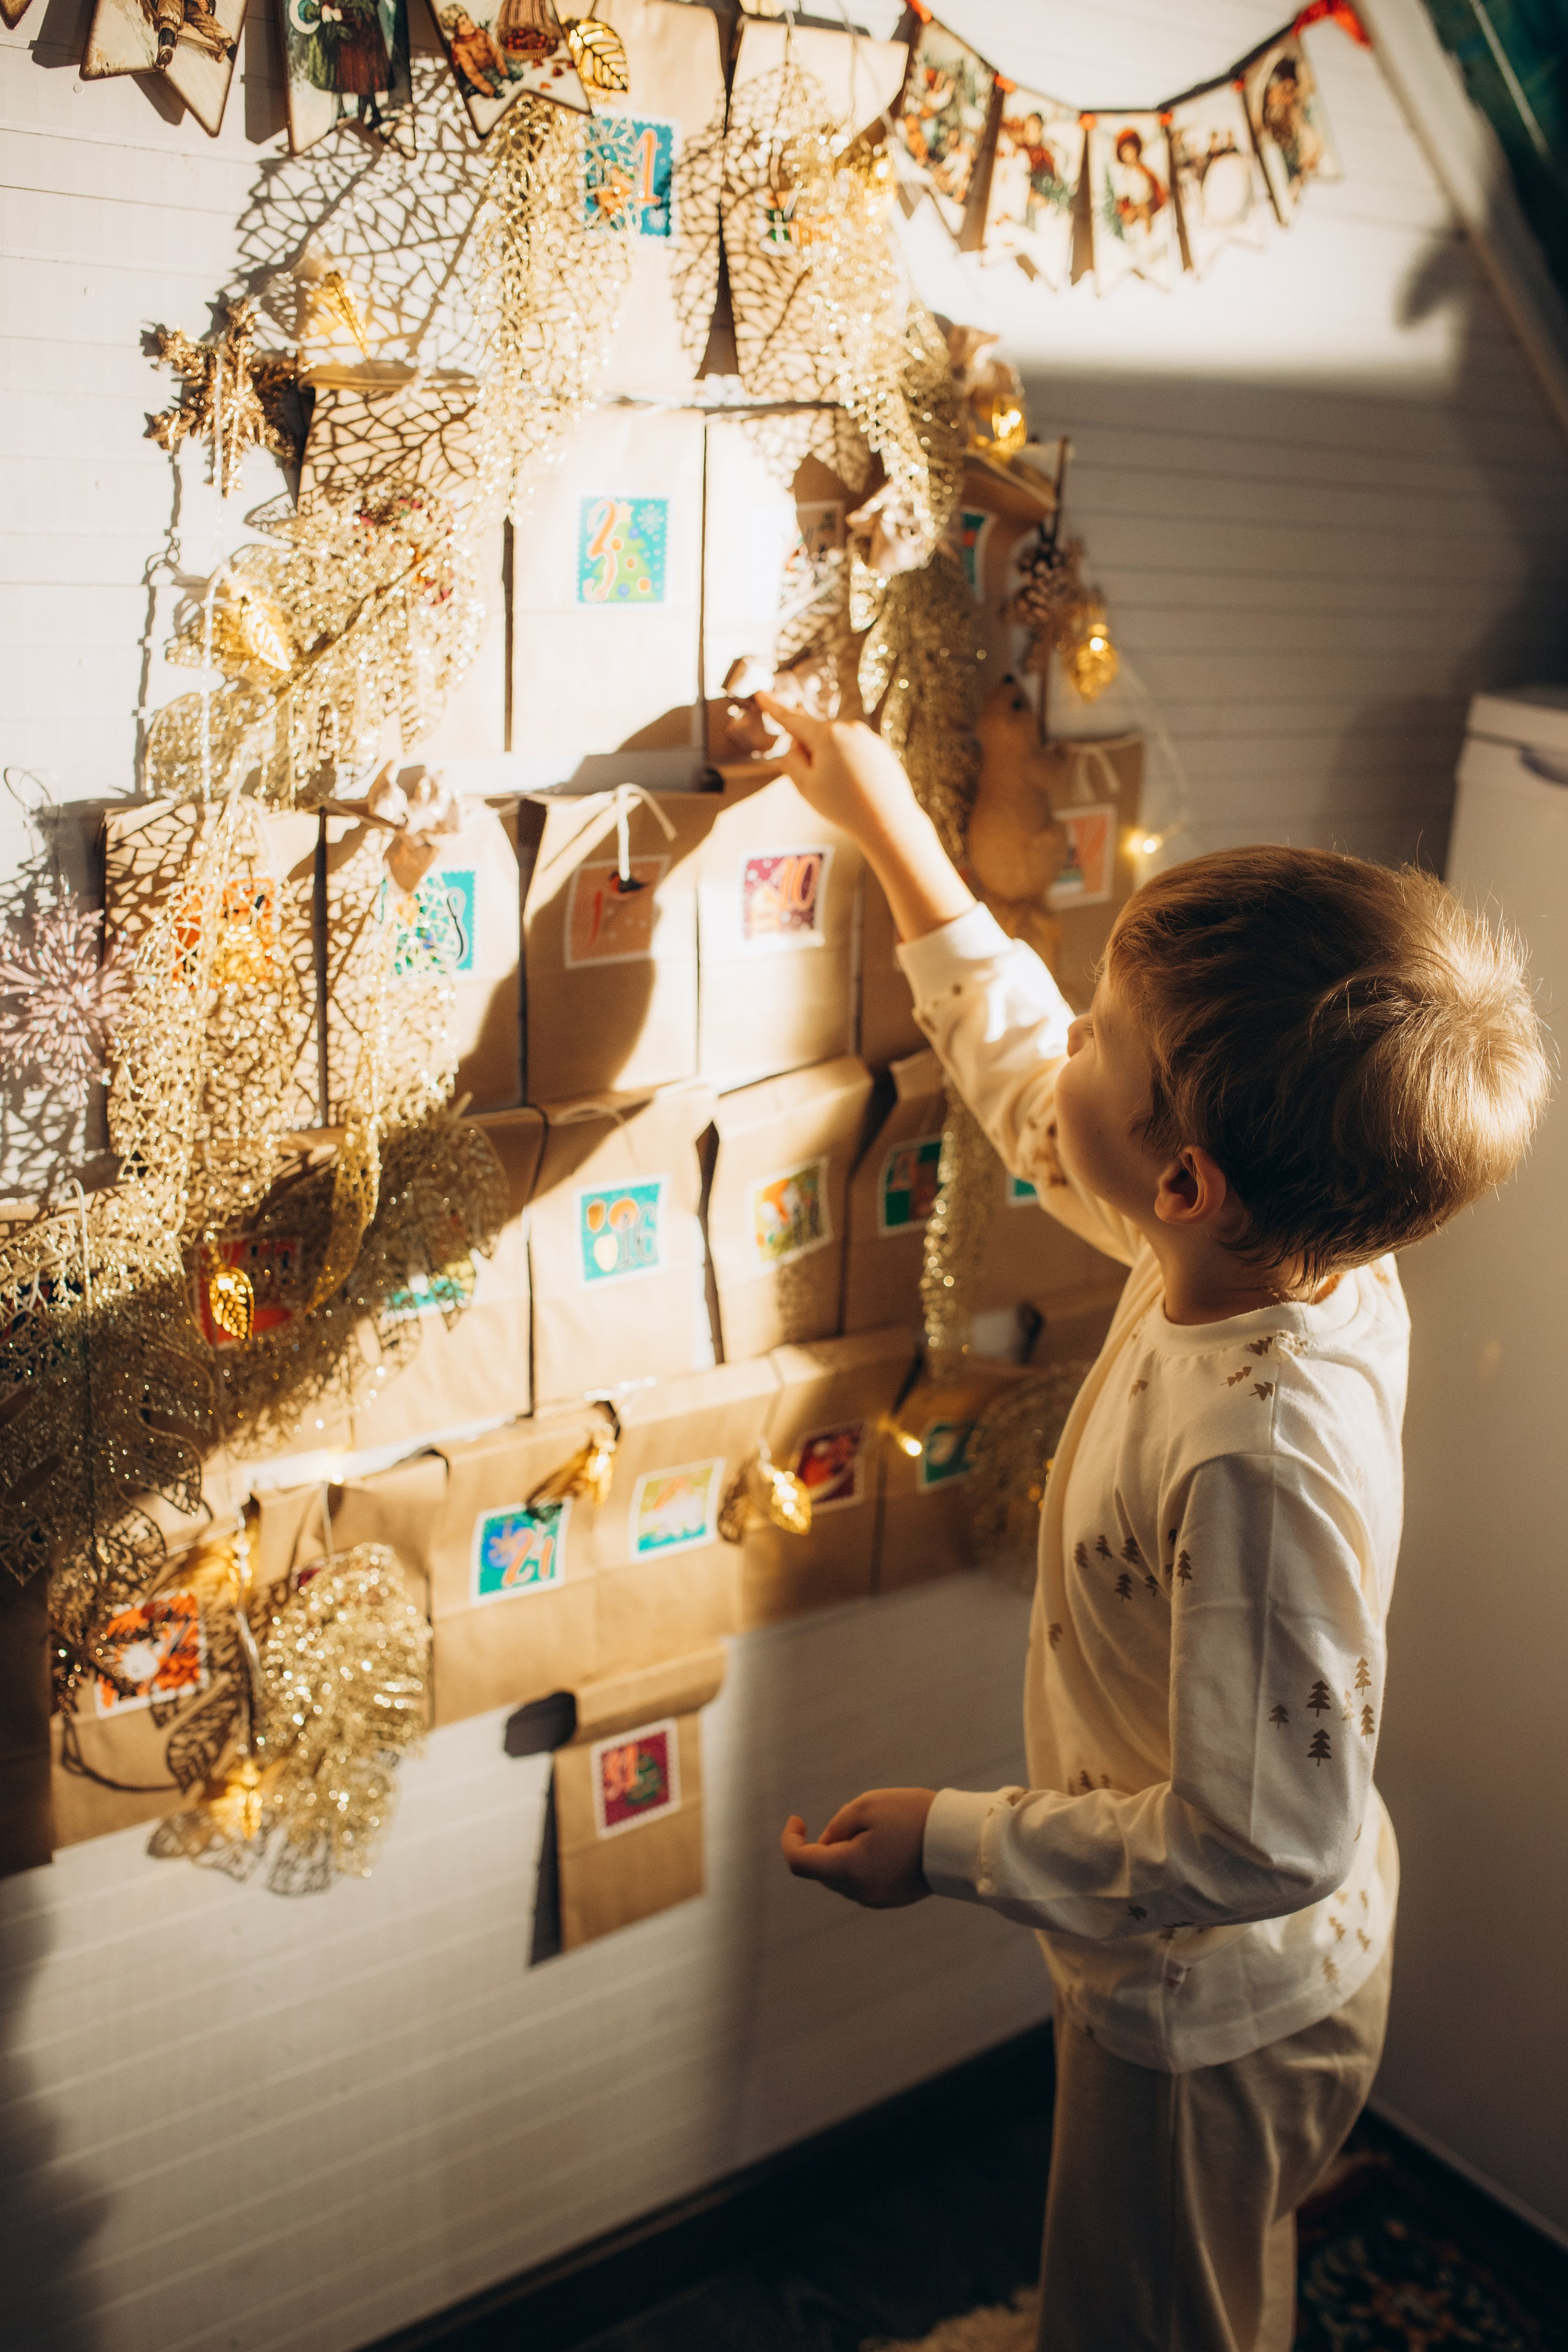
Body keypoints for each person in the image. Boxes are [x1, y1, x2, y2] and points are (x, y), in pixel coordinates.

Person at [761, 693, 1549, 2352]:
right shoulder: (1265, 1246)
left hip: (1210, 2005)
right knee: (1185, 2282)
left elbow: (1261, 1845)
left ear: (1182, 1178)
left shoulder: (1261, 1449)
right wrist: (896, 834)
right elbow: (1026, 1093)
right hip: (1210, 1975)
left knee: (1153, 2316)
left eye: (1105, 1034)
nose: (1074, 1051)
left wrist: (951, 1843)